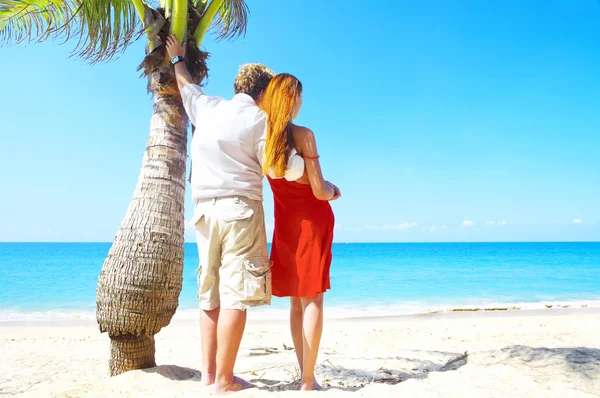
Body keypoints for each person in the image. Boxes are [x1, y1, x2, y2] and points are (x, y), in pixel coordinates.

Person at [165, 36, 305, 394]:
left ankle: (209, 375)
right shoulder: (260, 120)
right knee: (235, 296)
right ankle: (225, 381)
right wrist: (305, 162)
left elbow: (186, 86)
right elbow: (279, 169)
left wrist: (177, 58)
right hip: (240, 211)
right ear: (264, 93)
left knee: (209, 294)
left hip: (202, 213)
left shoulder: (208, 107)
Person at [259, 73, 341, 391]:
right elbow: (319, 190)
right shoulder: (304, 135)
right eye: (301, 97)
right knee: (313, 299)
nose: (302, 103)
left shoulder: (262, 139)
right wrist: (334, 189)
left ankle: (304, 375)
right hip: (312, 224)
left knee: (295, 303)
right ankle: (308, 381)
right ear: (292, 99)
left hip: (285, 227)